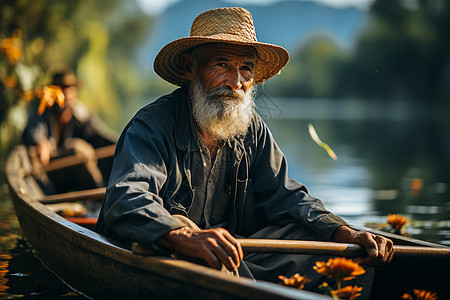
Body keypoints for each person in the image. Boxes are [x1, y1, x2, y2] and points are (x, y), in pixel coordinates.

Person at [95, 7, 393, 293]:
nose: (235, 82)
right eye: (222, 64)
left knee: (324, 241)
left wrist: (343, 232)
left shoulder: (252, 130)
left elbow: (288, 197)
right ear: (190, 67)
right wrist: (182, 235)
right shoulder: (152, 126)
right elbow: (126, 198)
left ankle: (248, 283)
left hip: (234, 258)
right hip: (167, 254)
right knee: (193, 243)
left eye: (245, 69)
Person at [23, 70, 117, 192]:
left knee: (83, 149)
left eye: (70, 88)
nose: (66, 93)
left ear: (75, 91)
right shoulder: (44, 110)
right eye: (62, 88)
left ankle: (100, 192)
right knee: (77, 149)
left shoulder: (82, 114)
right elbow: (33, 129)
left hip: (78, 174)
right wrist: (41, 143)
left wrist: (121, 144)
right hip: (52, 170)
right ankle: (99, 192)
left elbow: (100, 133)